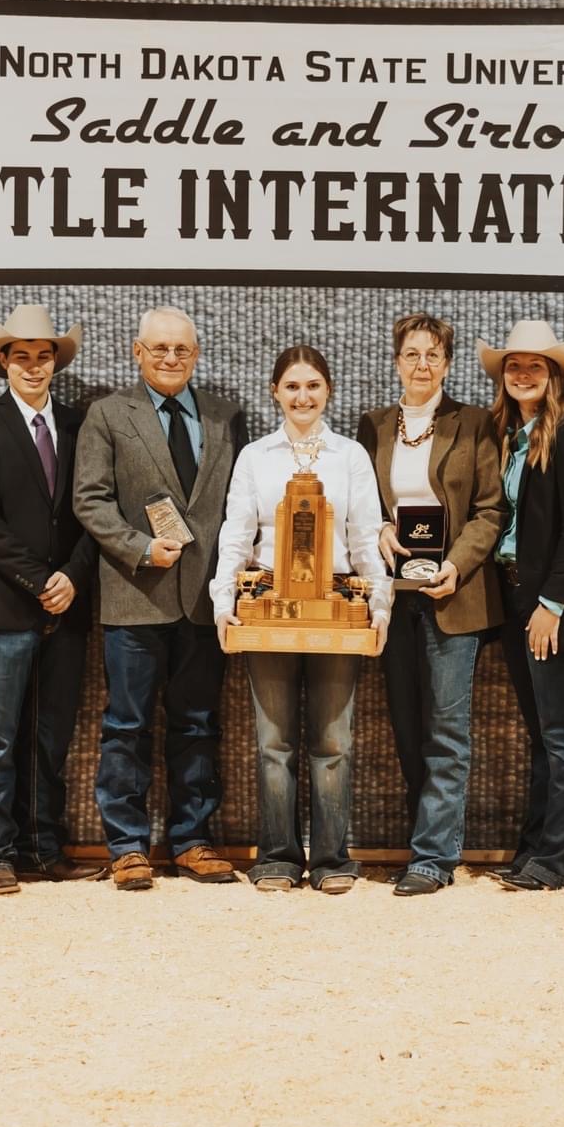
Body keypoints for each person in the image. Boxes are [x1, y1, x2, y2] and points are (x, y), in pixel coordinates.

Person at [75, 306, 247, 891]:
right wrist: (141, 548)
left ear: (195, 355)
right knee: (126, 724)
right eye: (160, 349)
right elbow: (90, 500)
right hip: (134, 595)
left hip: (204, 600)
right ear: (137, 351)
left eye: (182, 350)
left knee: (197, 724)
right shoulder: (107, 415)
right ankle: (126, 847)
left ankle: (192, 841)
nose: (171, 358)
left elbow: (240, 507)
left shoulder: (226, 418)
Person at [214, 346, 391, 893]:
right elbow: (237, 535)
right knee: (274, 742)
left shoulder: (350, 456)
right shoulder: (255, 456)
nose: (303, 396)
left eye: (313, 385)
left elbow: (365, 535)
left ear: (328, 390)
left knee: (333, 740)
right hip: (270, 603)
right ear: (275, 392)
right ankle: (278, 856)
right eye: (292, 386)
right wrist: (224, 602)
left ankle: (334, 859)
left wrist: (379, 604)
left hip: (336, 606)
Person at [356, 313, 505, 896]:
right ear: (396, 361)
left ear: (447, 363)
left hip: (453, 594)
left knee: (446, 729)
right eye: (412, 354)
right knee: (406, 724)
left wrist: (457, 564)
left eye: (433, 355)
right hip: (393, 596)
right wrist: (378, 529)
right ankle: (424, 841)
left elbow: (491, 509)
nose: (422, 364)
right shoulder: (371, 427)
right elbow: (359, 503)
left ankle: (433, 859)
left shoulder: (474, 424)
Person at [0, 306, 103, 893]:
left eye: (44, 356)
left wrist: (71, 576)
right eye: (22, 356)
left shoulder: (79, 425)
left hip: (66, 607)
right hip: (4, 607)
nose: (34, 366)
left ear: (56, 363)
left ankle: (42, 848)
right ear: (4, 363)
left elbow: (96, 512)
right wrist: (38, 580)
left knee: (50, 735)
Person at [478, 322, 564, 893]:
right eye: (514, 365)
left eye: (536, 365)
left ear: (554, 376)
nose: (523, 373)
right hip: (518, 597)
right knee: (544, 734)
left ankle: (563, 862)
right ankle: (536, 849)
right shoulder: (512, 436)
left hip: (561, 607)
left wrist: (551, 604)